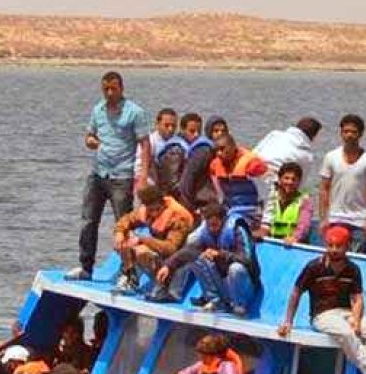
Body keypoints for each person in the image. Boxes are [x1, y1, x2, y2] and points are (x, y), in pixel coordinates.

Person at [278, 226, 366, 374]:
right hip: (322, 315)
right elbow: (296, 293)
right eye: (330, 245)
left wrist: (357, 320)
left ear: (347, 247)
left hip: (345, 312)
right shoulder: (314, 267)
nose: (333, 250)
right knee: (346, 334)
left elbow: (357, 298)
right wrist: (288, 321)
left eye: (338, 246)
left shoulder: (353, 269)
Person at [68, 72, 152, 281]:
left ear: (121, 88)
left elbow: (145, 144)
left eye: (114, 89)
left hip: (122, 176)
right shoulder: (98, 110)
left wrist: (142, 176)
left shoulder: (135, 112)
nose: (110, 93)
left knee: (123, 225)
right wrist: (91, 142)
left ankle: (128, 271)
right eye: (106, 89)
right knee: (88, 221)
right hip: (98, 174)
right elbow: (89, 136)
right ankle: (86, 267)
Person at [158, 201, 259, 314]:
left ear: (223, 220)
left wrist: (221, 254)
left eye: (215, 225)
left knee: (236, 269)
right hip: (223, 284)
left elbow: (246, 259)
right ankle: (216, 301)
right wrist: (167, 266)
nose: (212, 229)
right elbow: (188, 252)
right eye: (209, 225)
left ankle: (239, 306)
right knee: (196, 259)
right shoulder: (205, 232)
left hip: (243, 285)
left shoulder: (237, 231)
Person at [111, 185, 194, 295]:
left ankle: (163, 284)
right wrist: (119, 233)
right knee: (125, 241)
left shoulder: (178, 218)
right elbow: (126, 220)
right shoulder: (144, 211)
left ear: (163, 204)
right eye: (151, 210)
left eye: (157, 209)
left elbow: (171, 248)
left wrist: (142, 240)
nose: (154, 213)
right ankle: (130, 277)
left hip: (177, 261)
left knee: (141, 251)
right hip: (159, 253)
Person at [317, 114, 366, 253]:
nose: (349, 135)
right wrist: (323, 218)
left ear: (361, 134)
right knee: (333, 255)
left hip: (360, 220)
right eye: (346, 132)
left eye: (353, 132)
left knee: (357, 255)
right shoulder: (331, 157)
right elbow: (324, 189)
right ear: (341, 133)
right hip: (335, 218)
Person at [253, 117, 322, 204]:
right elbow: (298, 184)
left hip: (251, 175)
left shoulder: (274, 134)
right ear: (313, 136)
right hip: (272, 187)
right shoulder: (306, 155)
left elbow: (254, 153)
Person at [258, 162, 314, 245]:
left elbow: (304, 225)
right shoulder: (269, 198)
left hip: (294, 244)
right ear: (279, 179)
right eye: (286, 178)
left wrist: (295, 237)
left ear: (299, 182)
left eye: (294, 179)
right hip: (271, 242)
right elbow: (261, 220)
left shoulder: (305, 201)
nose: (290, 182)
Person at [176, 117, 221, 210]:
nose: (196, 135)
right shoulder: (203, 150)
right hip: (199, 201)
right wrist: (187, 203)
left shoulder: (217, 149)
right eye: (192, 131)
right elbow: (188, 177)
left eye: (198, 131)